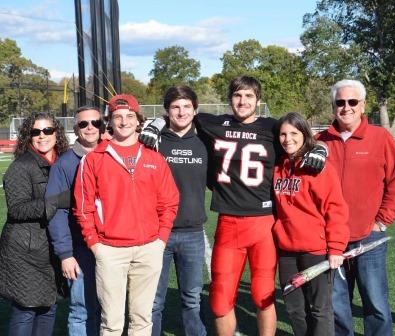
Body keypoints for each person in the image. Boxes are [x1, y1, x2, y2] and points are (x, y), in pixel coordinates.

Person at [140, 76, 327, 336]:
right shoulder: (213, 122)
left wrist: (320, 148)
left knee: (263, 295)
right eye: (238, 95)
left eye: (249, 96)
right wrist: (156, 123)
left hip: (263, 222)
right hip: (228, 221)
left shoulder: (271, 127)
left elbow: (301, 135)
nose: (243, 101)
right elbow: (181, 113)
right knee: (219, 301)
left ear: (258, 101)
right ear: (230, 100)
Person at [73, 94, 179, 335]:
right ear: (109, 122)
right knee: (111, 322)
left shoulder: (154, 157)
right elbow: (83, 207)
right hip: (110, 251)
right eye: (118, 117)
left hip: (149, 249)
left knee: (142, 320)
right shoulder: (93, 159)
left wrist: (160, 240)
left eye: (130, 116)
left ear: (138, 120)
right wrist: (95, 244)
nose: (124, 121)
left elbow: (169, 202)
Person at [316, 79, 395, 336]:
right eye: (340, 102)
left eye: (353, 102)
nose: (346, 107)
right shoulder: (320, 141)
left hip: (368, 237)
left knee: (375, 304)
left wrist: (382, 221)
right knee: (337, 305)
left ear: (363, 105)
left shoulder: (380, 137)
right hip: (331, 240)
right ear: (333, 106)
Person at [273, 112, 349, 336]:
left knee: (320, 309)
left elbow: (335, 208)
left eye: (294, 133)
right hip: (286, 251)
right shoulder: (279, 167)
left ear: (304, 134)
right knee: (295, 309)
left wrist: (336, 248)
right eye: (283, 134)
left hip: (316, 250)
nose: (288, 139)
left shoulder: (319, 168)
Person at [0, 112, 69, 336]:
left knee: (48, 307)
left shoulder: (62, 162)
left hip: (50, 248)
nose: (42, 136)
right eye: (35, 132)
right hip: (24, 250)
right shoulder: (21, 166)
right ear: (28, 136)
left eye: (47, 130)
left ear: (56, 133)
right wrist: (56, 202)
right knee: (26, 310)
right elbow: (17, 209)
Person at [151, 86, 208, 336]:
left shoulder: (206, 139)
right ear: (167, 111)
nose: (181, 111)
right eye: (175, 106)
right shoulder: (154, 140)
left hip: (193, 232)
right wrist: (153, 126)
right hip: (157, 233)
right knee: (154, 301)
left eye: (186, 106)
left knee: (192, 300)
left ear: (195, 110)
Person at [45, 106, 104, 335]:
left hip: (112, 247)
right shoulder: (64, 165)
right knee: (81, 309)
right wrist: (66, 254)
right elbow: (56, 212)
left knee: (109, 307)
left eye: (95, 123)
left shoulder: (113, 156)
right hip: (79, 249)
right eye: (83, 124)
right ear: (75, 128)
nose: (90, 128)